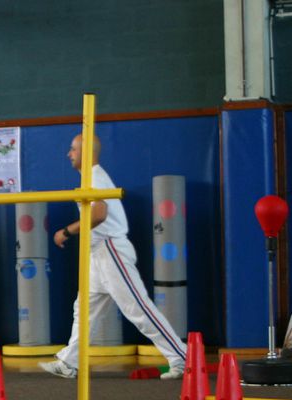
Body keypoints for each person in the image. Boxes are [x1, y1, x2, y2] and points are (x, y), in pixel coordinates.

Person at [41, 134, 187, 380]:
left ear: (86, 152)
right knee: (85, 310)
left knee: (138, 309)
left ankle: (181, 356)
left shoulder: (96, 177)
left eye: (73, 149)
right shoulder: (90, 178)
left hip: (110, 251)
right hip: (98, 253)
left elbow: (99, 213)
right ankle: (69, 362)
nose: (69, 154)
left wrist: (66, 231)